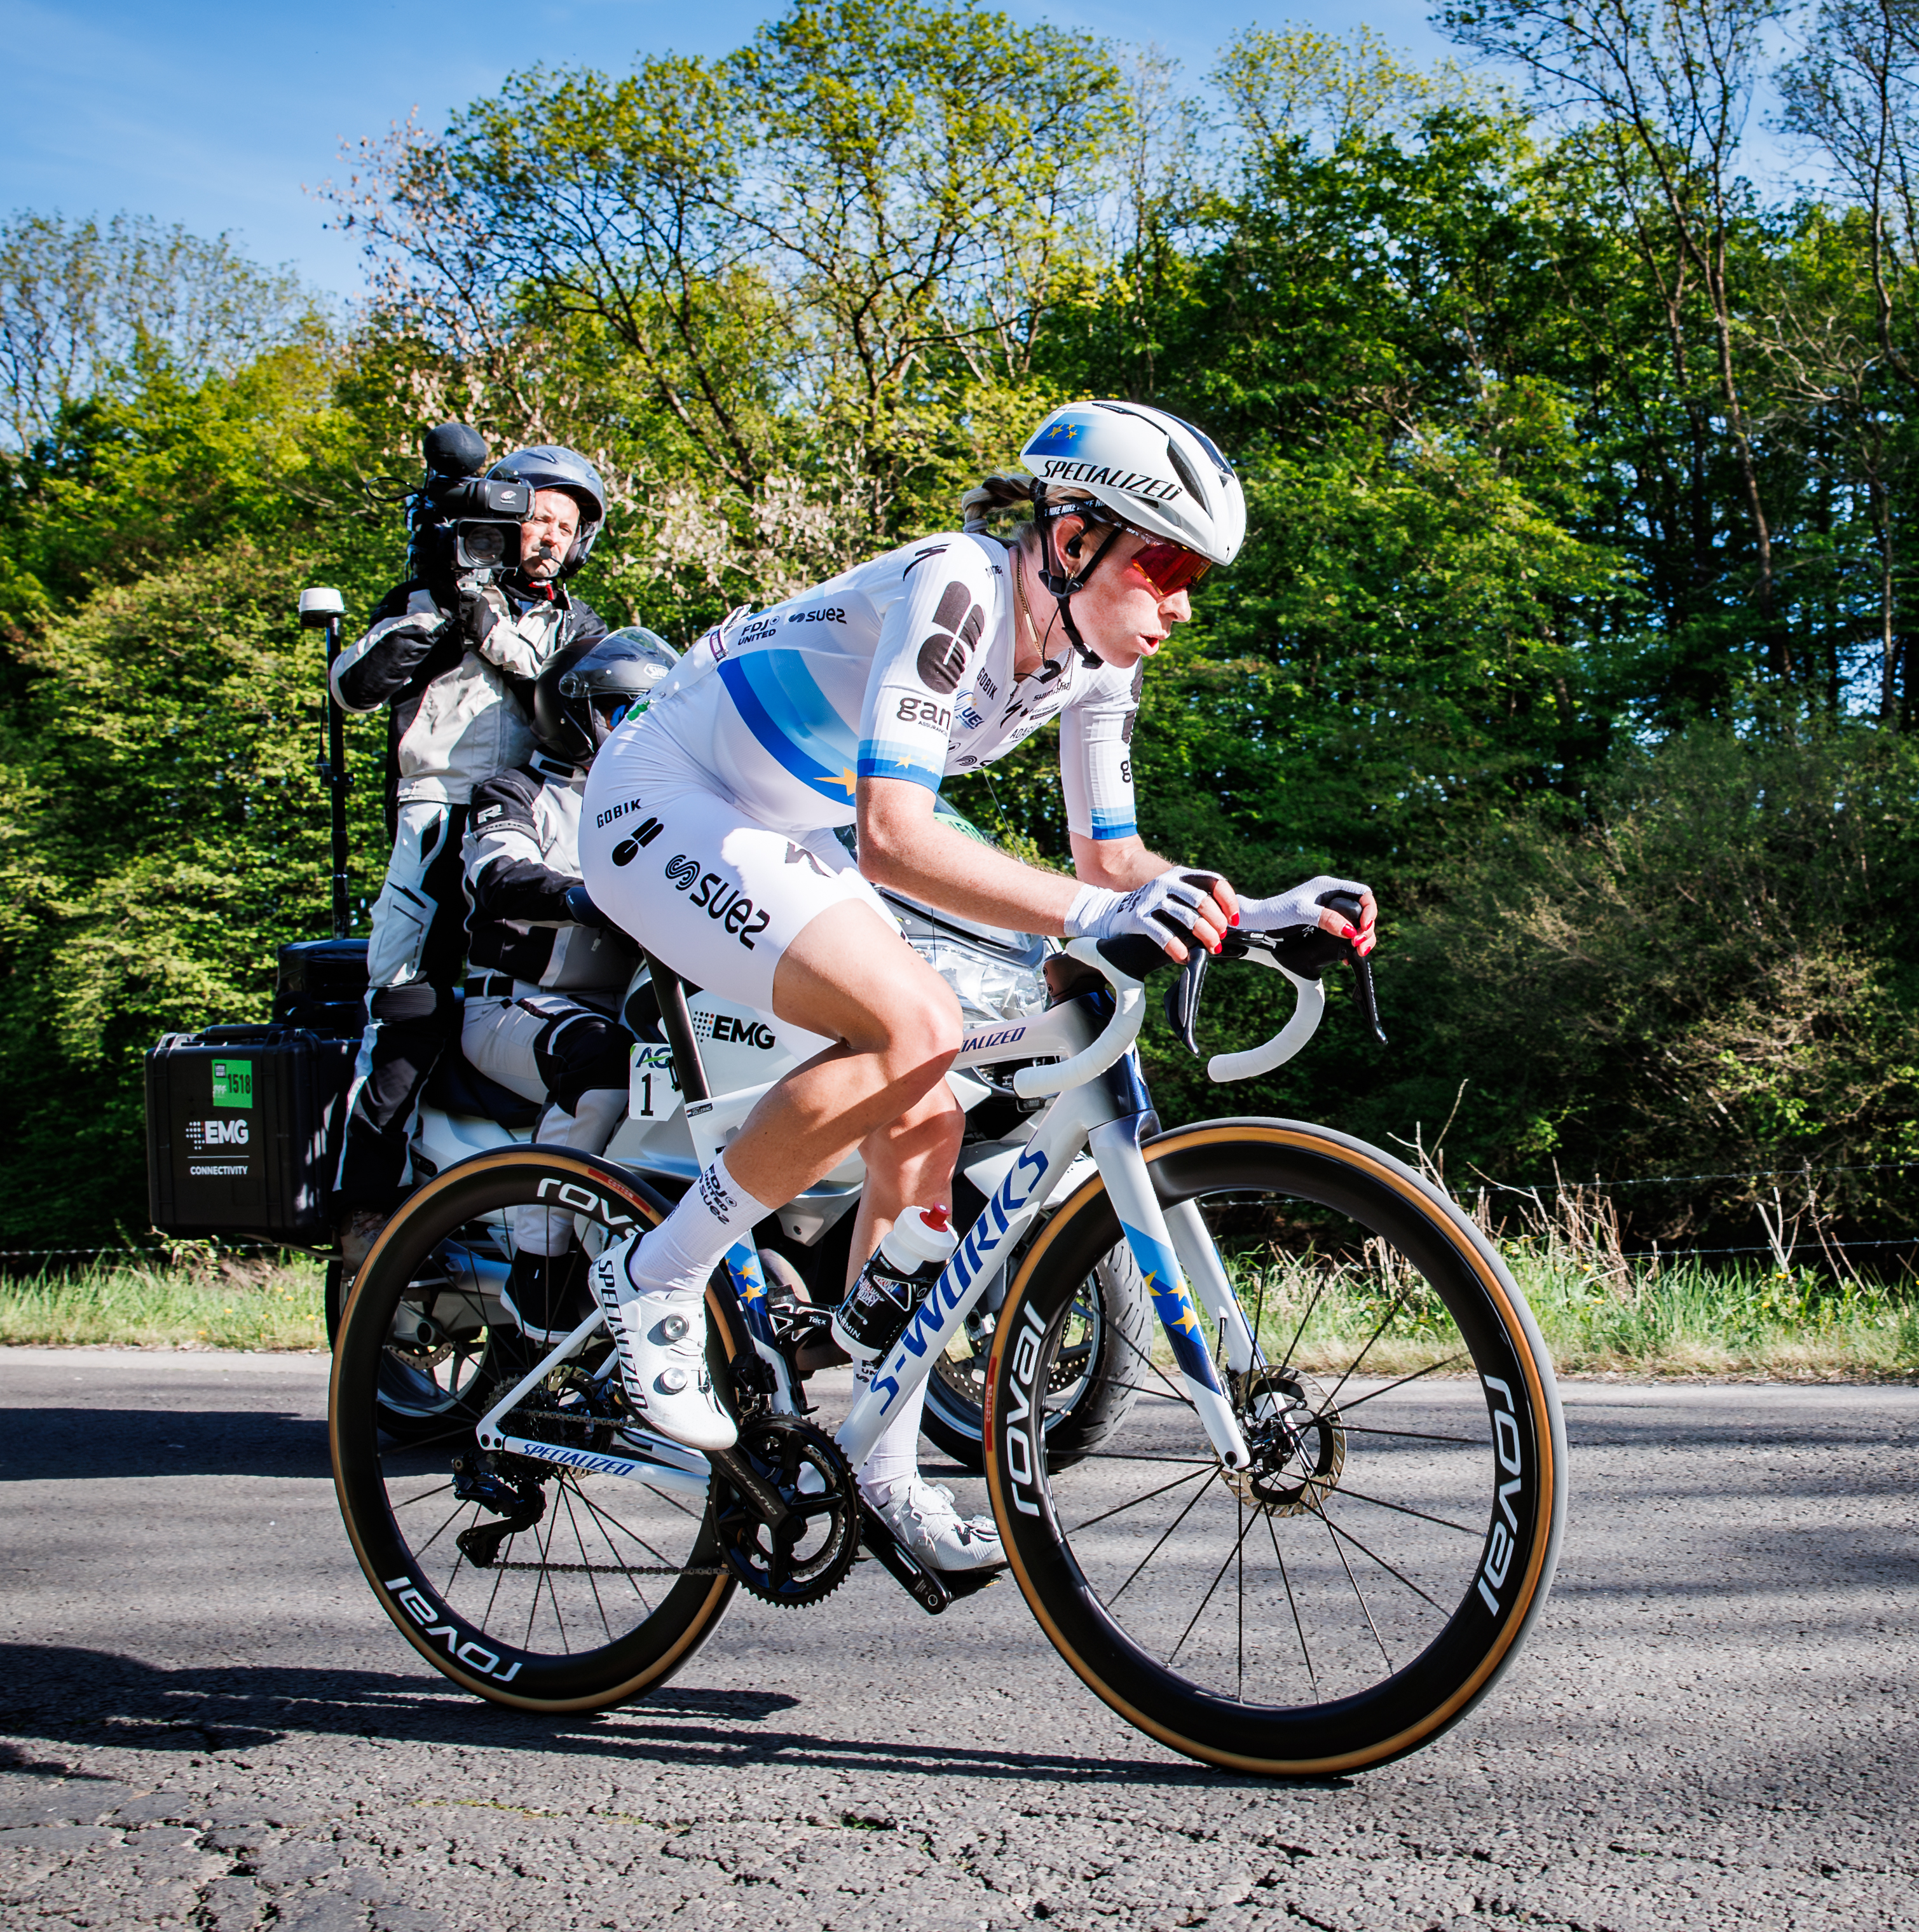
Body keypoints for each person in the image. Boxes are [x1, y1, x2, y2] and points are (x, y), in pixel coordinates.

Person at [577, 400, 1376, 1572]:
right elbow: (899, 838)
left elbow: (1112, 863)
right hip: (666, 793)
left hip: (790, 823)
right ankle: (656, 1274)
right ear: (1070, 539)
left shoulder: (1091, 663)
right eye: (1166, 564)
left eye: (1193, 574)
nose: (1183, 602)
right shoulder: (960, 584)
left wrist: (1252, 913)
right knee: (916, 1024)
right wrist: (1101, 912)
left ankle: (879, 1466)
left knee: (932, 1104)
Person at [329, 445, 612, 1259]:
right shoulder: (429, 591)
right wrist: (446, 611)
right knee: (409, 1003)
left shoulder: (576, 622)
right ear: (504, 517)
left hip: (539, 814)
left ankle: (529, 1177)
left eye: (567, 525)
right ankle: (364, 1205)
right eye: (539, 519)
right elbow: (351, 686)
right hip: (437, 809)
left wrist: (499, 628)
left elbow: (582, 705)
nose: (551, 536)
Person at [456, 629, 678, 1334]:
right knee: (602, 1061)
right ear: (576, 711)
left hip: (634, 1006)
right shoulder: (516, 790)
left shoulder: (661, 803)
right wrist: (586, 897)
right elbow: (497, 874)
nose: (636, 726)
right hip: (514, 1007)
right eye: (623, 710)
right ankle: (540, 1265)